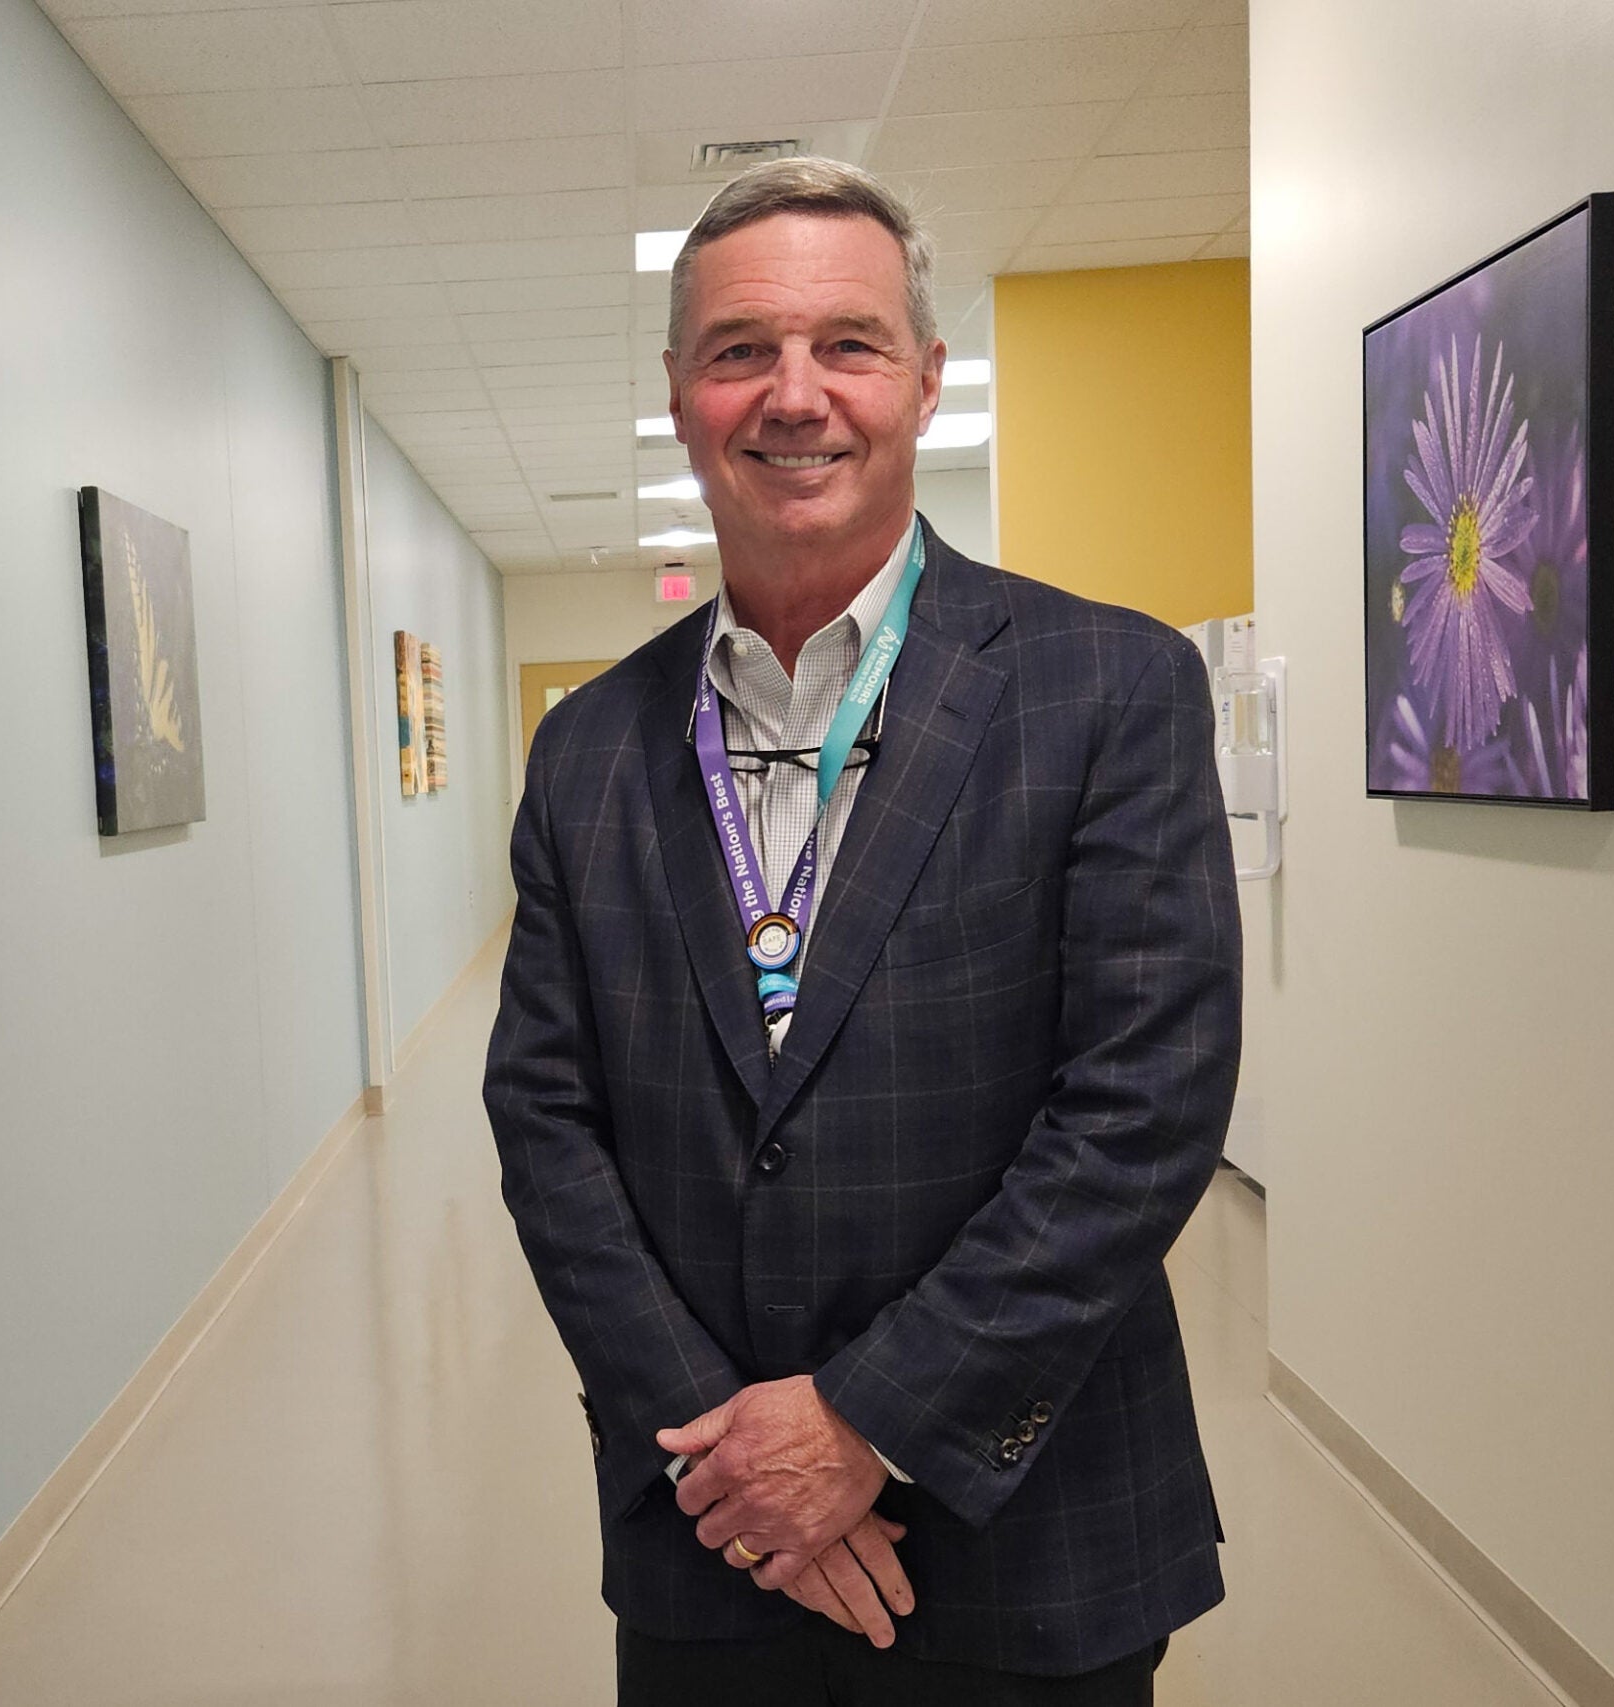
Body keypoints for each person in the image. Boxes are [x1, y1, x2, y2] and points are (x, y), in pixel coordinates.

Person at [483, 157, 1240, 1707]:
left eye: (849, 344)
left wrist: (861, 1426)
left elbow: (1139, 1110)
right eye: (739, 350)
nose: (795, 394)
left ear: (925, 379)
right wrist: (728, 1453)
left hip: (1034, 1531)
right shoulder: (590, 749)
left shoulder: (1109, 690)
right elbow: (546, 1122)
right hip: (712, 1540)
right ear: (683, 393)